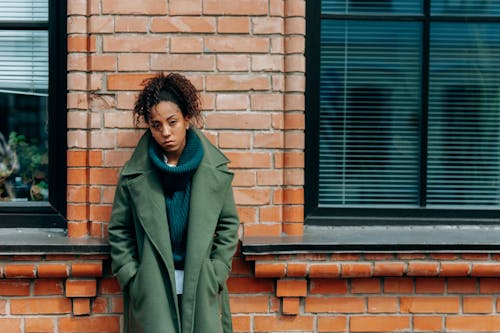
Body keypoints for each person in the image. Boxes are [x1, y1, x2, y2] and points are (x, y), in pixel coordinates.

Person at [108, 72, 240, 333]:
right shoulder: (134, 174)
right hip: (152, 287)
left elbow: (228, 225)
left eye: (172, 122)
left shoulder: (213, 169)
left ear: (187, 119)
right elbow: (119, 231)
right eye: (156, 125)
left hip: (202, 283)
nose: (165, 132)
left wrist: (218, 270)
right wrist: (133, 277)